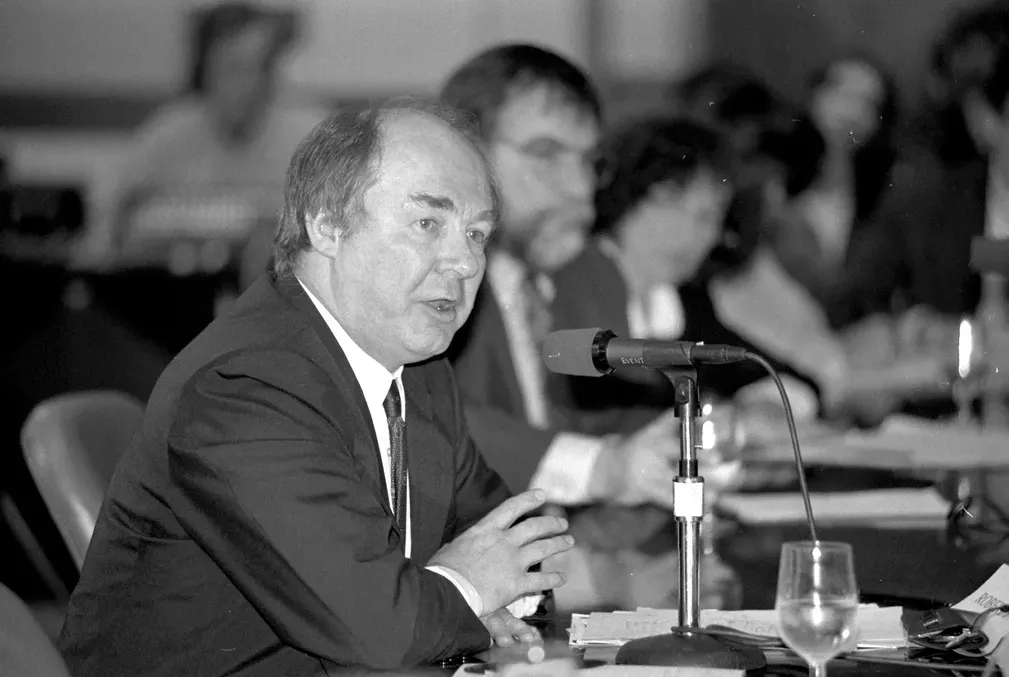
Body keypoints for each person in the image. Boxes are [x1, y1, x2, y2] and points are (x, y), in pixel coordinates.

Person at [58, 100, 574, 675]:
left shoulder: (421, 374)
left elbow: (514, 550)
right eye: (429, 223)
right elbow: (380, 628)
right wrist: (465, 590)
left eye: (477, 234)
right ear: (326, 224)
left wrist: (481, 596)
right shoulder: (245, 386)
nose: (463, 261)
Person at [441, 44, 680, 513]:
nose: (580, 187)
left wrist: (682, 434)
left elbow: (543, 422)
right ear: (462, 153)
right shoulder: (439, 281)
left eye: (589, 160)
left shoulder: (524, 282)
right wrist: (604, 467)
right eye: (545, 153)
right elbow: (429, 421)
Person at [78, 1, 324, 281]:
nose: (251, 83)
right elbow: (109, 202)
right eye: (235, 68)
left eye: (262, 67)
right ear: (205, 71)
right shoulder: (172, 131)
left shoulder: (309, 136)